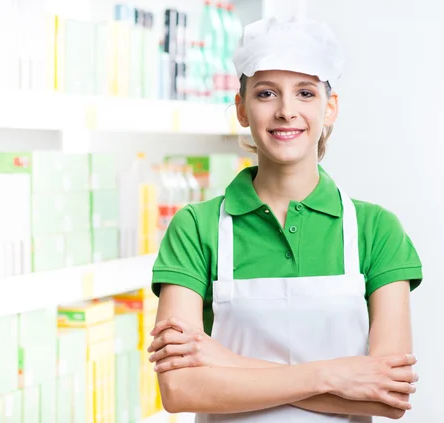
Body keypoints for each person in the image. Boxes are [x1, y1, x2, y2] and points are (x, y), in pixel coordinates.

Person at [147, 15, 423, 423]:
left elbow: (387, 398)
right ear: (241, 108)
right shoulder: (195, 227)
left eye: (306, 93)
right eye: (266, 94)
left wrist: (225, 361)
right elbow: (179, 388)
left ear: (330, 108)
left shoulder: (376, 230)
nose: (286, 111)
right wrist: (334, 375)